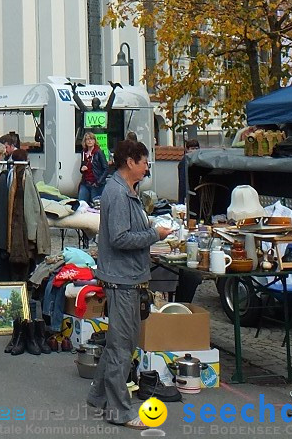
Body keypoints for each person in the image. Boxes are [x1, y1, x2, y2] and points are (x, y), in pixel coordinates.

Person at [88, 139, 172, 426]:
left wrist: (151, 230)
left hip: (127, 275)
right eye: (144, 161)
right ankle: (119, 411)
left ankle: (99, 398)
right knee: (122, 347)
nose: (147, 166)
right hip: (122, 278)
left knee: (118, 344)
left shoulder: (126, 191)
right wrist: (155, 236)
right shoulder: (119, 193)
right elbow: (120, 238)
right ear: (130, 162)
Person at [78, 130, 106, 205]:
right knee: (81, 204)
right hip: (85, 183)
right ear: (85, 141)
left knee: (96, 206)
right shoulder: (83, 152)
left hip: (95, 183)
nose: (89, 141)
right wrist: (82, 169)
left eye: (91, 139)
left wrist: (98, 182)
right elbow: (82, 167)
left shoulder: (99, 152)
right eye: (87, 139)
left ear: (94, 141)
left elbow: (106, 168)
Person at [177, 138, 200, 205]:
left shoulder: (197, 161)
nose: (195, 151)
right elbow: (183, 181)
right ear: (187, 149)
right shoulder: (185, 162)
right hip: (188, 193)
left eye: (196, 148)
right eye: (192, 148)